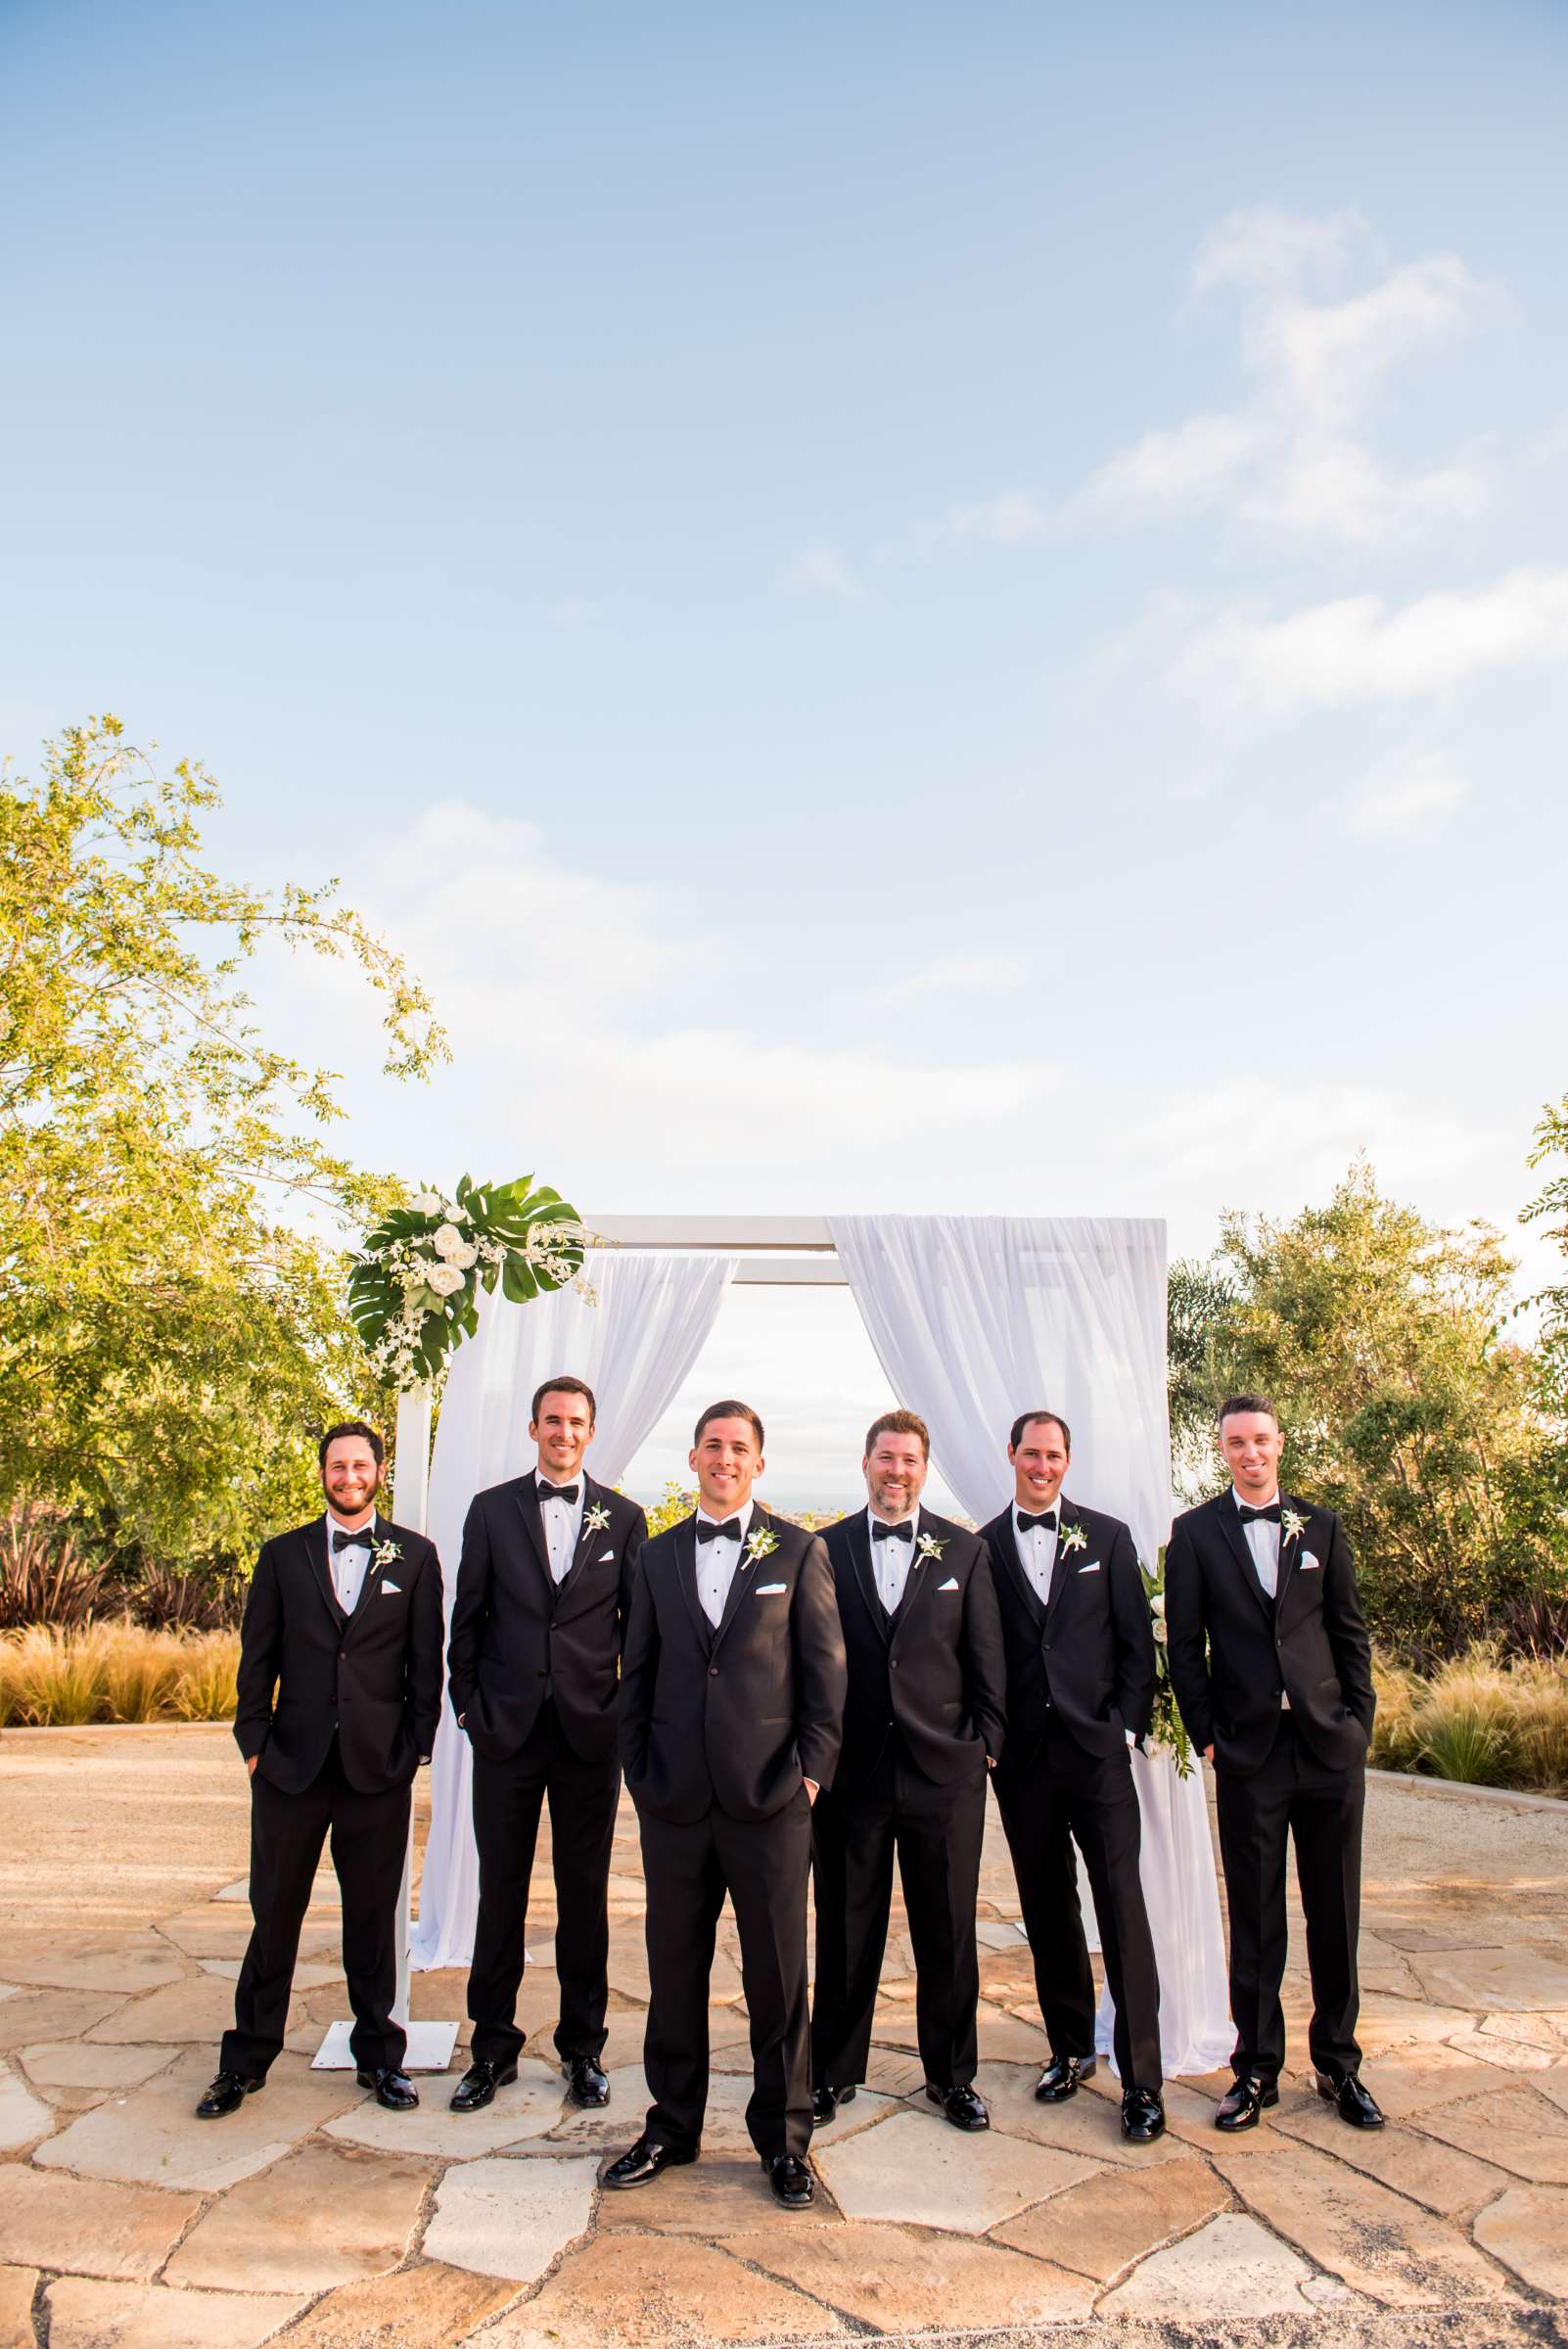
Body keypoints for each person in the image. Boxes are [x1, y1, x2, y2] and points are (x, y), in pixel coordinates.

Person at [608, 1401, 846, 2209]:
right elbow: (634, 1673)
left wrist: (808, 1777)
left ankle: (784, 2142)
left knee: (780, 1980)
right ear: (695, 1457)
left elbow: (826, 1678)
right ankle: (672, 2127)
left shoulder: (801, 1551)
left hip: (770, 1803)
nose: (724, 1458)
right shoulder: (660, 1555)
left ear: (759, 1463)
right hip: (674, 1803)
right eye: (712, 1445)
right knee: (675, 1974)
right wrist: (639, 1772)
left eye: (739, 1447)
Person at [197, 1420, 444, 2118]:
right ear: (323, 1473)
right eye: (337, 1466)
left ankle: (381, 2059)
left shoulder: (416, 1558)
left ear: (379, 1469)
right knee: (274, 1915)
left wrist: (412, 1751)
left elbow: (427, 1668)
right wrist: (254, 1746)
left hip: (376, 1772)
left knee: (372, 1921)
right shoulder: (282, 1556)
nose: (348, 1477)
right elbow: (257, 1662)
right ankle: (244, 2061)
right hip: (290, 1771)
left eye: (359, 1465)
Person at [1165, 1394, 1382, 2133]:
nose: (1250, 1453)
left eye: (1260, 1440)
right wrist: (1207, 1737)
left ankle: (1339, 2065)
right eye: (1236, 1443)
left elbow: (1349, 1633)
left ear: (1279, 1444)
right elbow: (1184, 1647)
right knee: (1256, 1918)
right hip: (1249, 1753)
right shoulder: (1193, 1534)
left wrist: (1358, 1725)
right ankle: (1256, 2070)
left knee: (1336, 1913)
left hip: (1327, 1749)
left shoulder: (1322, 1524)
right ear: (1221, 1449)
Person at [446, 1375, 648, 2113]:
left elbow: (638, 1635)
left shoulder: (625, 1520)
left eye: (576, 1422)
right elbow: (465, 1620)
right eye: (552, 1420)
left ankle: (583, 2048)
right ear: (533, 1428)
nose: (564, 1432)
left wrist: (621, 1716)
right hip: (506, 1733)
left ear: (591, 1432)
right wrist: (470, 1711)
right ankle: (491, 2048)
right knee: (500, 1894)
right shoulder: (492, 1511)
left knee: (583, 1897)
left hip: (589, 1738)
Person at [810, 1410, 1005, 2132]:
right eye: (886, 1459)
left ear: (925, 1469)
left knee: (948, 1931)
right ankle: (831, 2072)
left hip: (943, 1773)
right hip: (851, 1774)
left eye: (910, 1461)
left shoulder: (964, 1551)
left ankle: (952, 2077)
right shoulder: (822, 1549)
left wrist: (985, 1743)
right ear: (866, 1463)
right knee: (845, 1926)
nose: (897, 1472)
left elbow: (988, 1656)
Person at [980, 1409, 1166, 2143]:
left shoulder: (1108, 1537)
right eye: (1031, 1454)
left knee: (1121, 1907)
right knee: (1048, 1908)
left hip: (1097, 1756)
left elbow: (1133, 1646)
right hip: (1022, 1763)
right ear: (1012, 1456)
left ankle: (1141, 2079)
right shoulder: (981, 1547)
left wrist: (1123, 1724)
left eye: (1054, 1455)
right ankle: (1069, 2049)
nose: (1043, 1466)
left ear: (1068, 1460)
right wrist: (990, 1740)